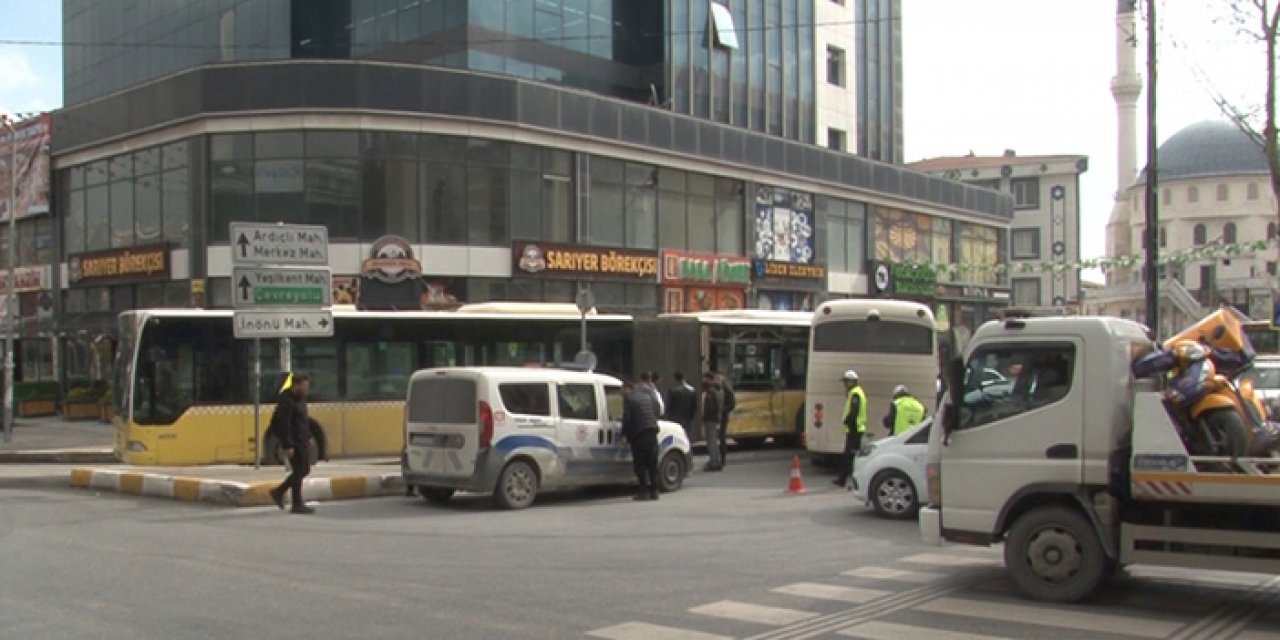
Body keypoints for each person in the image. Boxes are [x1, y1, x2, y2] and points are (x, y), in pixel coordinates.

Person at [268, 372, 316, 514]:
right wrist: (287, 445)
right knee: (300, 470)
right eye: (304, 386)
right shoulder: (286, 401)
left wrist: (308, 436)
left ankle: (279, 492)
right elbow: (284, 425)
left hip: (302, 440)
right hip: (294, 442)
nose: (307, 389)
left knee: (303, 470)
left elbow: (303, 420)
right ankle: (295, 502)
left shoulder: (300, 399)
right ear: (296, 385)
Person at [620, 381, 661, 501]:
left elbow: (627, 419)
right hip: (652, 431)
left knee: (640, 465)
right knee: (652, 464)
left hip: (640, 434)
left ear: (628, 388)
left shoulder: (629, 400)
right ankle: (654, 491)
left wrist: (624, 435)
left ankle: (643, 492)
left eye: (622, 390)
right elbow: (655, 411)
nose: (621, 393)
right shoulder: (646, 397)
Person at [832, 369, 867, 488]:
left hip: (855, 428)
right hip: (856, 428)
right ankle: (847, 480)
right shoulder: (855, 392)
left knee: (849, 456)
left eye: (846, 381)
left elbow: (854, 410)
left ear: (852, 381)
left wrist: (848, 420)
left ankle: (845, 480)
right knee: (851, 456)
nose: (844, 384)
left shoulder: (855, 393)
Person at [701, 371, 724, 471]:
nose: (703, 380)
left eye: (704, 378)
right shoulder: (718, 389)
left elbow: (710, 407)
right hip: (715, 419)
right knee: (714, 441)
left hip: (711, 419)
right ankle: (716, 461)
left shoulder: (711, 391)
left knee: (711, 442)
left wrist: (705, 417)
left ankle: (713, 462)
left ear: (708, 379)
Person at [665, 371, 698, 439]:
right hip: (688, 417)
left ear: (675, 379)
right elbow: (694, 405)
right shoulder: (692, 390)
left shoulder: (673, 390)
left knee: (678, 435)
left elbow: (670, 405)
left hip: (676, 417)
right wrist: (691, 415)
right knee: (687, 434)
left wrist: (669, 416)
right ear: (684, 378)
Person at [715, 371, 735, 465]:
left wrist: (723, 410)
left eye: (719, 378)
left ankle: (722, 458)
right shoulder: (719, 388)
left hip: (722, 417)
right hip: (719, 416)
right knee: (718, 438)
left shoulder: (727, 389)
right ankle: (718, 458)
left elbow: (731, 404)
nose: (717, 380)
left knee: (722, 438)